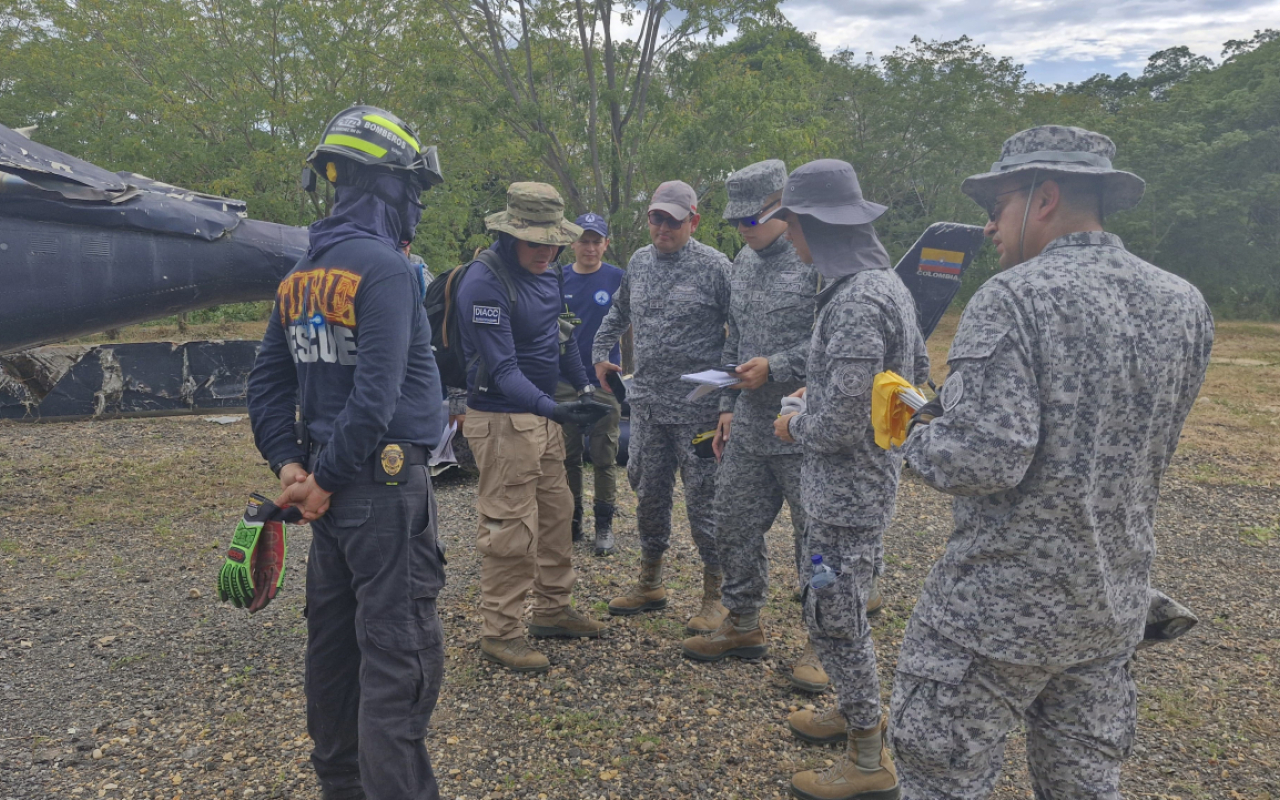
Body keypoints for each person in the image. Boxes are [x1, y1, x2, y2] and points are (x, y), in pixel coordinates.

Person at [892, 125, 1214, 800]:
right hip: (1109, 605)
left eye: (997, 205)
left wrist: (905, 428)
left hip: (995, 616)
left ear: (1044, 198)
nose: (987, 227)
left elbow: (983, 459)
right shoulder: (1184, 303)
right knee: (1087, 786)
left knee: (941, 778)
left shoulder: (1016, 296)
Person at [247, 104, 447, 800]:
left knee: (333, 655)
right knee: (398, 662)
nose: (415, 205)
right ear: (388, 184)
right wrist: (323, 477)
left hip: (330, 501)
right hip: (380, 495)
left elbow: (266, 382)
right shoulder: (385, 270)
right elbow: (378, 396)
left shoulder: (304, 271)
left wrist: (291, 467)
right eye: (412, 189)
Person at [770, 159, 927, 800]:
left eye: (792, 225)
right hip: (866, 483)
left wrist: (793, 426)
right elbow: (902, 380)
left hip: (846, 490)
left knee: (834, 613)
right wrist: (827, 392)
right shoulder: (882, 283)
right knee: (843, 601)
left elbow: (835, 428)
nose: (789, 238)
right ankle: (851, 707)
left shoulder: (858, 301)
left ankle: (868, 754)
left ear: (812, 225)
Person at [679, 159, 832, 692]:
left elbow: (837, 341)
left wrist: (779, 365)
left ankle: (824, 643)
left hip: (802, 426)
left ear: (781, 206)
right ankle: (743, 622)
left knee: (815, 540)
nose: (744, 229)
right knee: (733, 523)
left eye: (751, 219)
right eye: (736, 222)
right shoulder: (744, 261)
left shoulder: (818, 260)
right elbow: (735, 334)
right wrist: (724, 405)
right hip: (748, 421)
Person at [456, 182, 612, 673]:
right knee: (510, 527)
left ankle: (551, 609)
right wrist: (553, 408)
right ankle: (500, 632)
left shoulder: (547, 272)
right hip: (502, 418)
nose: (547, 251)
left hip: (542, 416)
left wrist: (584, 389)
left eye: (554, 243)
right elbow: (502, 370)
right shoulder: (486, 282)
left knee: (555, 513)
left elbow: (560, 332)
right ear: (510, 235)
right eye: (537, 242)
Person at [593, 180, 733, 636]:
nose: (662, 227)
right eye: (656, 217)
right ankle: (650, 582)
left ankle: (716, 597)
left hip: (698, 412)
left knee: (705, 506)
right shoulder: (638, 262)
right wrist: (600, 350)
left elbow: (742, 332)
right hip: (648, 406)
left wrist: (729, 398)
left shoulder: (715, 267)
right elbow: (618, 312)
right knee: (648, 497)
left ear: (693, 220)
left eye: (673, 220)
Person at [553, 213, 625, 556]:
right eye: (584, 240)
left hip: (603, 381)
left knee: (604, 456)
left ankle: (604, 525)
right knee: (567, 456)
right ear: (573, 243)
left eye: (597, 241)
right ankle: (572, 520)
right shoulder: (557, 277)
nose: (590, 247)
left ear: (606, 245)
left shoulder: (617, 278)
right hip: (564, 380)